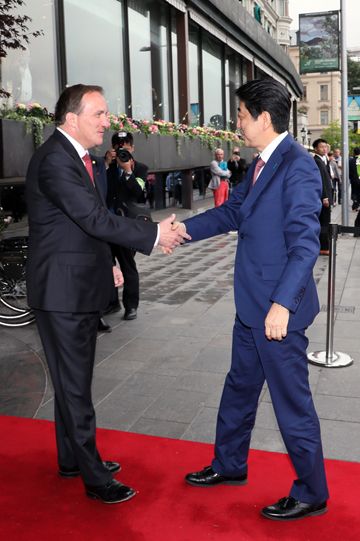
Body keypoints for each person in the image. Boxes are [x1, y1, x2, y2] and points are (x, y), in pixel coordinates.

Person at [25, 84, 189, 505]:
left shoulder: (82, 160)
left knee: (71, 381)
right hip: (61, 292)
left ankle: (71, 459)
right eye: (98, 114)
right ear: (71, 118)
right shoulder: (55, 162)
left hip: (76, 284)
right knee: (76, 385)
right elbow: (94, 217)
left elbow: (86, 225)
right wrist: (153, 234)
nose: (107, 123)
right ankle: (95, 477)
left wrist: (110, 263)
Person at [174, 78, 328, 521]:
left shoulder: (297, 165)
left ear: (263, 117)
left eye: (241, 114)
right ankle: (229, 465)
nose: (237, 122)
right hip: (251, 307)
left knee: (291, 403)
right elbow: (231, 212)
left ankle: (312, 491)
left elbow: (304, 243)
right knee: (238, 388)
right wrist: (181, 232)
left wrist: (283, 304)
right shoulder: (262, 164)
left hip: (277, 314)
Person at [106, 134, 149, 321]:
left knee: (127, 266)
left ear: (132, 148)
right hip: (105, 224)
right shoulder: (105, 166)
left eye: (126, 147)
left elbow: (138, 193)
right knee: (106, 264)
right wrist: (107, 165)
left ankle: (131, 306)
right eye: (118, 148)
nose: (123, 151)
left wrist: (128, 172)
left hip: (126, 225)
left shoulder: (140, 168)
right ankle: (110, 302)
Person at [313, 139, 333, 255]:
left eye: (326, 147)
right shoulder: (316, 161)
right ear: (316, 149)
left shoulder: (323, 160)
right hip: (323, 198)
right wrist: (324, 197)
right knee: (324, 221)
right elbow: (320, 180)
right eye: (321, 147)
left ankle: (324, 245)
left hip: (326, 196)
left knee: (325, 220)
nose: (324, 149)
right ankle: (324, 247)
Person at [349, 147, 360, 212]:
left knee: (354, 192)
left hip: (354, 180)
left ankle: (355, 206)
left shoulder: (351, 161)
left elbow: (349, 172)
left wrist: (351, 178)